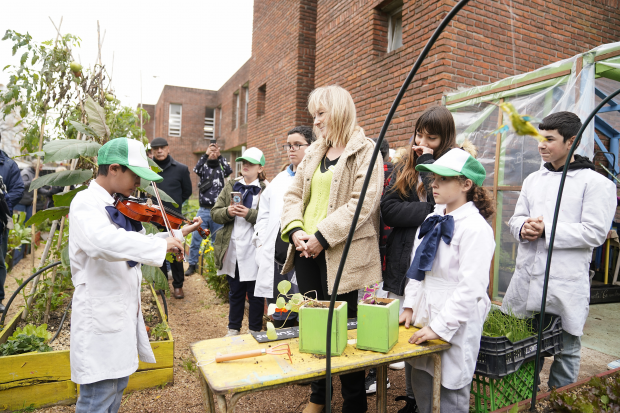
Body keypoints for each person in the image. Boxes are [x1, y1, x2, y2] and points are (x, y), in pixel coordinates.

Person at [68, 138, 202, 413]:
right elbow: (103, 243)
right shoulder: (85, 203)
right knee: (97, 399)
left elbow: (134, 243)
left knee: (115, 390)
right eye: (135, 175)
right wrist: (159, 244)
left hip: (119, 314)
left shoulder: (119, 205)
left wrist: (176, 235)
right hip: (100, 317)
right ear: (114, 169)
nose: (139, 184)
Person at [280, 85, 383, 413]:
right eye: (314, 115)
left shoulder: (367, 151)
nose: (316, 121)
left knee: (345, 327)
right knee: (314, 325)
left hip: (341, 254)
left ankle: (354, 403)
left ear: (338, 111)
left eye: (321, 113)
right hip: (306, 250)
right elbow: (293, 195)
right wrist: (296, 231)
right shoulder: (314, 152)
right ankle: (318, 397)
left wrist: (322, 236)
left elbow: (362, 203)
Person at [501, 111, 617, 389]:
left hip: (564, 282)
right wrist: (522, 228)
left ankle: (559, 399)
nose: (541, 145)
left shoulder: (596, 183)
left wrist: (547, 229)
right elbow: (516, 218)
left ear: (571, 142)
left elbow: (595, 232)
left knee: (566, 348)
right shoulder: (533, 180)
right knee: (526, 345)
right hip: (528, 278)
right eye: (540, 138)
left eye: (549, 139)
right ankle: (526, 396)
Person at [372, 106, 458, 411]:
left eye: (431, 137)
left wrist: (427, 165)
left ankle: (436, 398)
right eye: (418, 134)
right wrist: (430, 214)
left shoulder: (455, 168)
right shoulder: (401, 167)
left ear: (445, 139)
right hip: (402, 260)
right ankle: (411, 398)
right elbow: (389, 210)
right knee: (407, 333)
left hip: (435, 265)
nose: (421, 141)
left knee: (432, 332)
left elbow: (448, 205)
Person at [400, 147, 495, 413]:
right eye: (433, 178)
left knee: (450, 392)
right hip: (424, 312)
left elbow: (472, 287)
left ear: (466, 184)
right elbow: (417, 267)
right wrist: (409, 306)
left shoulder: (476, 229)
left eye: (443, 179)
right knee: (422, 383)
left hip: (456, 320)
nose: (434, 183)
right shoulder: (431, 219)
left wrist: (440, 327)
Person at [253, 126, 314, 327]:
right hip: (278, 257)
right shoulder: (278, 180)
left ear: (312, 146)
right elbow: (263, 214)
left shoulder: (315, 177)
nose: (292, 149)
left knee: (305, 308)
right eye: (289, 145)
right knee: (280, 310)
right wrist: (261, 241)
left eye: (298, 145)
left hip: (303, 254)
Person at [212, 147, 267, 336]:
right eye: (244, 162)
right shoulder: (231, 185)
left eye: (251, 163)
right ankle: (233, 329)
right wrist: (228, 212)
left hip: (255, 248)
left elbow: (273, 218)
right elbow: (215, 212)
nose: (245, 165)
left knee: (256, 294)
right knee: (235, 291)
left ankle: (254, 331)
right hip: (233, 247)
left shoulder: (267, 189)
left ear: (260, 168)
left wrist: (249, 214)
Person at [150, 137, 193, 299]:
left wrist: (174, 207)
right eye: (156, 148)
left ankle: (178, 285)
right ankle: (160, 283)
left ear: (168, 149)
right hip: (152, 216)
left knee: (175, 250)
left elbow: (186, 192)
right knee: (156, 248)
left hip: (173, 218)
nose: (159, 151)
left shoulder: (181, 169)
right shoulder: (147, 169)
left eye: (162, 148)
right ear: (152, 151)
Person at [186, 142, 233, 276]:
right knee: (196, 238)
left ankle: (215, 266)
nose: (213, 153)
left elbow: (229, 171)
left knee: (217, 241)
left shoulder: (221, 167)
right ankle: (192, 264)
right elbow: (196, 169)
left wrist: (219, 156)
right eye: (211, 150)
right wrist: (206, 154)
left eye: (215, 150)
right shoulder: (204, 166)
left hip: (218, 210)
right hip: (203, 210)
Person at [0, 132, 24, 313]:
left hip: (0, 220)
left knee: (0, 260)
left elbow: (18, 189)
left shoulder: (8, 165)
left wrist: (3, 202)